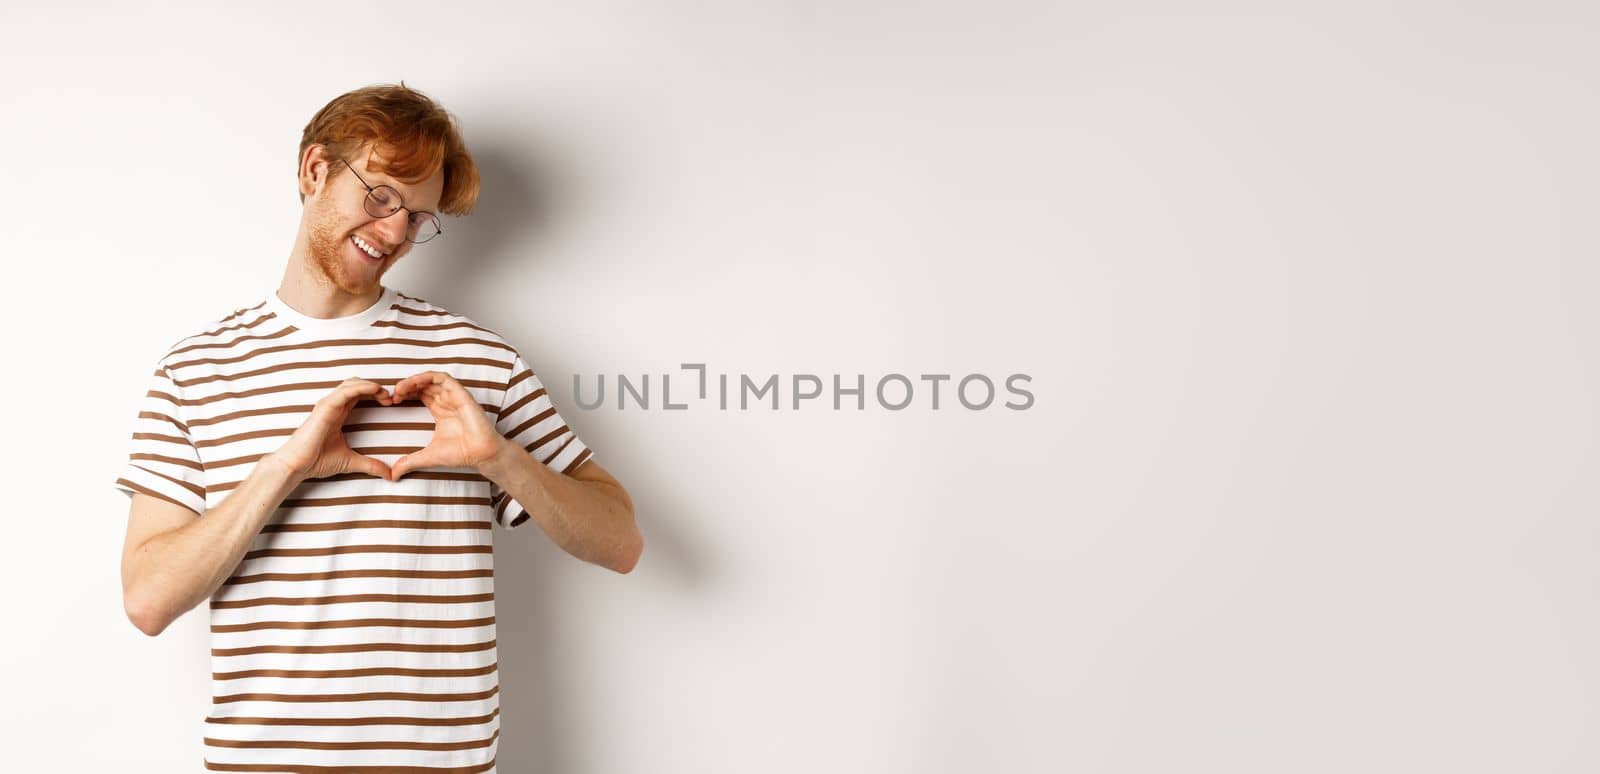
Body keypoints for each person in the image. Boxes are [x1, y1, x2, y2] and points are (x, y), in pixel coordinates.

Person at [112, 82, 642, 772]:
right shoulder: (196, 371)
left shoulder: (477, 361)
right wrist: (284, 469)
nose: (395, 233)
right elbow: (149, 601)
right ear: (314, 171)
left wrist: (500, 459)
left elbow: (621, 542)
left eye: (419, 219)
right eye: (382, 196)